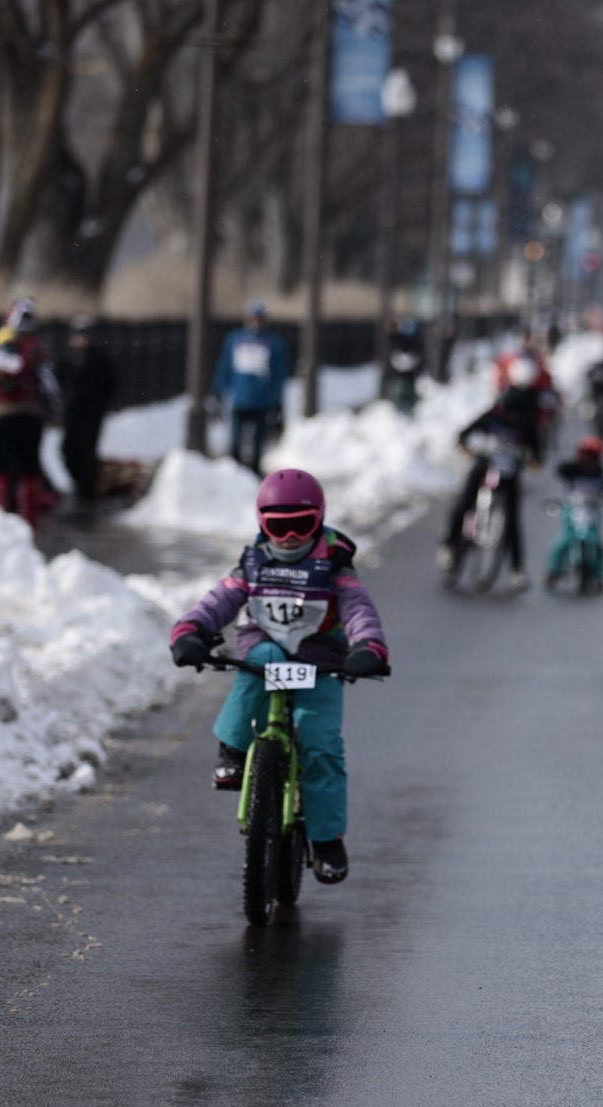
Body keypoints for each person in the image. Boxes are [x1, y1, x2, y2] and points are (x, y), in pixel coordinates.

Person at [168, 468, 390, 884]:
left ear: (319, 520)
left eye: (301, 527)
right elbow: (219, 600)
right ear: (261, 524)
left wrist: (368, 646)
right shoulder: (252, 562)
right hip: (266, 647)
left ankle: (325, 839)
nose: (289, 539)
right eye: (278, 528)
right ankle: (233, 750)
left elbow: (358, 607)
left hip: (319, 658)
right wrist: (191, 631)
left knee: (319, 741)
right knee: (259, 665)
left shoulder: (335, 563)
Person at [440, 360, 544, 590]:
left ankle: (516, 569)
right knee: (465, 503)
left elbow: (538, 452)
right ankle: (449, 544)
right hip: (485, 465)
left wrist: (533, 460)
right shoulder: (493, 415)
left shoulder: (527, 424)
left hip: (509, 473)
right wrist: (466, 446)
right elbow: (465, 433)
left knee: (512, 521)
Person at [0, 298, 61, 526]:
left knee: (0, 469)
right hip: (30, 416)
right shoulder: (36, 348)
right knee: (29, 469)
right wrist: (55, 411)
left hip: (0, 415)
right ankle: (27, 521)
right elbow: (50, 384)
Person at [213, 300, 291, 474]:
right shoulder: (235, 339)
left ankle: (253, 476)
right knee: (234, 445)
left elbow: (278, 375)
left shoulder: (274, 343)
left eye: (259, 318)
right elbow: (225, 367)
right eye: (252, 318)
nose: (256, 322)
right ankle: (234, 477)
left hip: (262, 402)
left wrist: (278, 402)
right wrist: (218, 392)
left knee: (257, 447)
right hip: (239, 400)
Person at [545, 435, 603, 591]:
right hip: (572, 510)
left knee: (597, 544)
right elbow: (560, 469)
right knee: (563, 541)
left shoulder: (600, 475)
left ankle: (599, 576)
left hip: (591, 513)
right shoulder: (574, 470)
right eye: (586, 456)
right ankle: (553, 571)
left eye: (592, 457)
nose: (588, 461)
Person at [57, 315, 117, 505]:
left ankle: (87, 491)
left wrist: (100, 404)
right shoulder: (66, 360)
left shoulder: (99, 360)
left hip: (92, 413)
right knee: (68, 450)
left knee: (87, 450)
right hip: (72, 413)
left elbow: (110, 384)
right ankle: (80, 484)